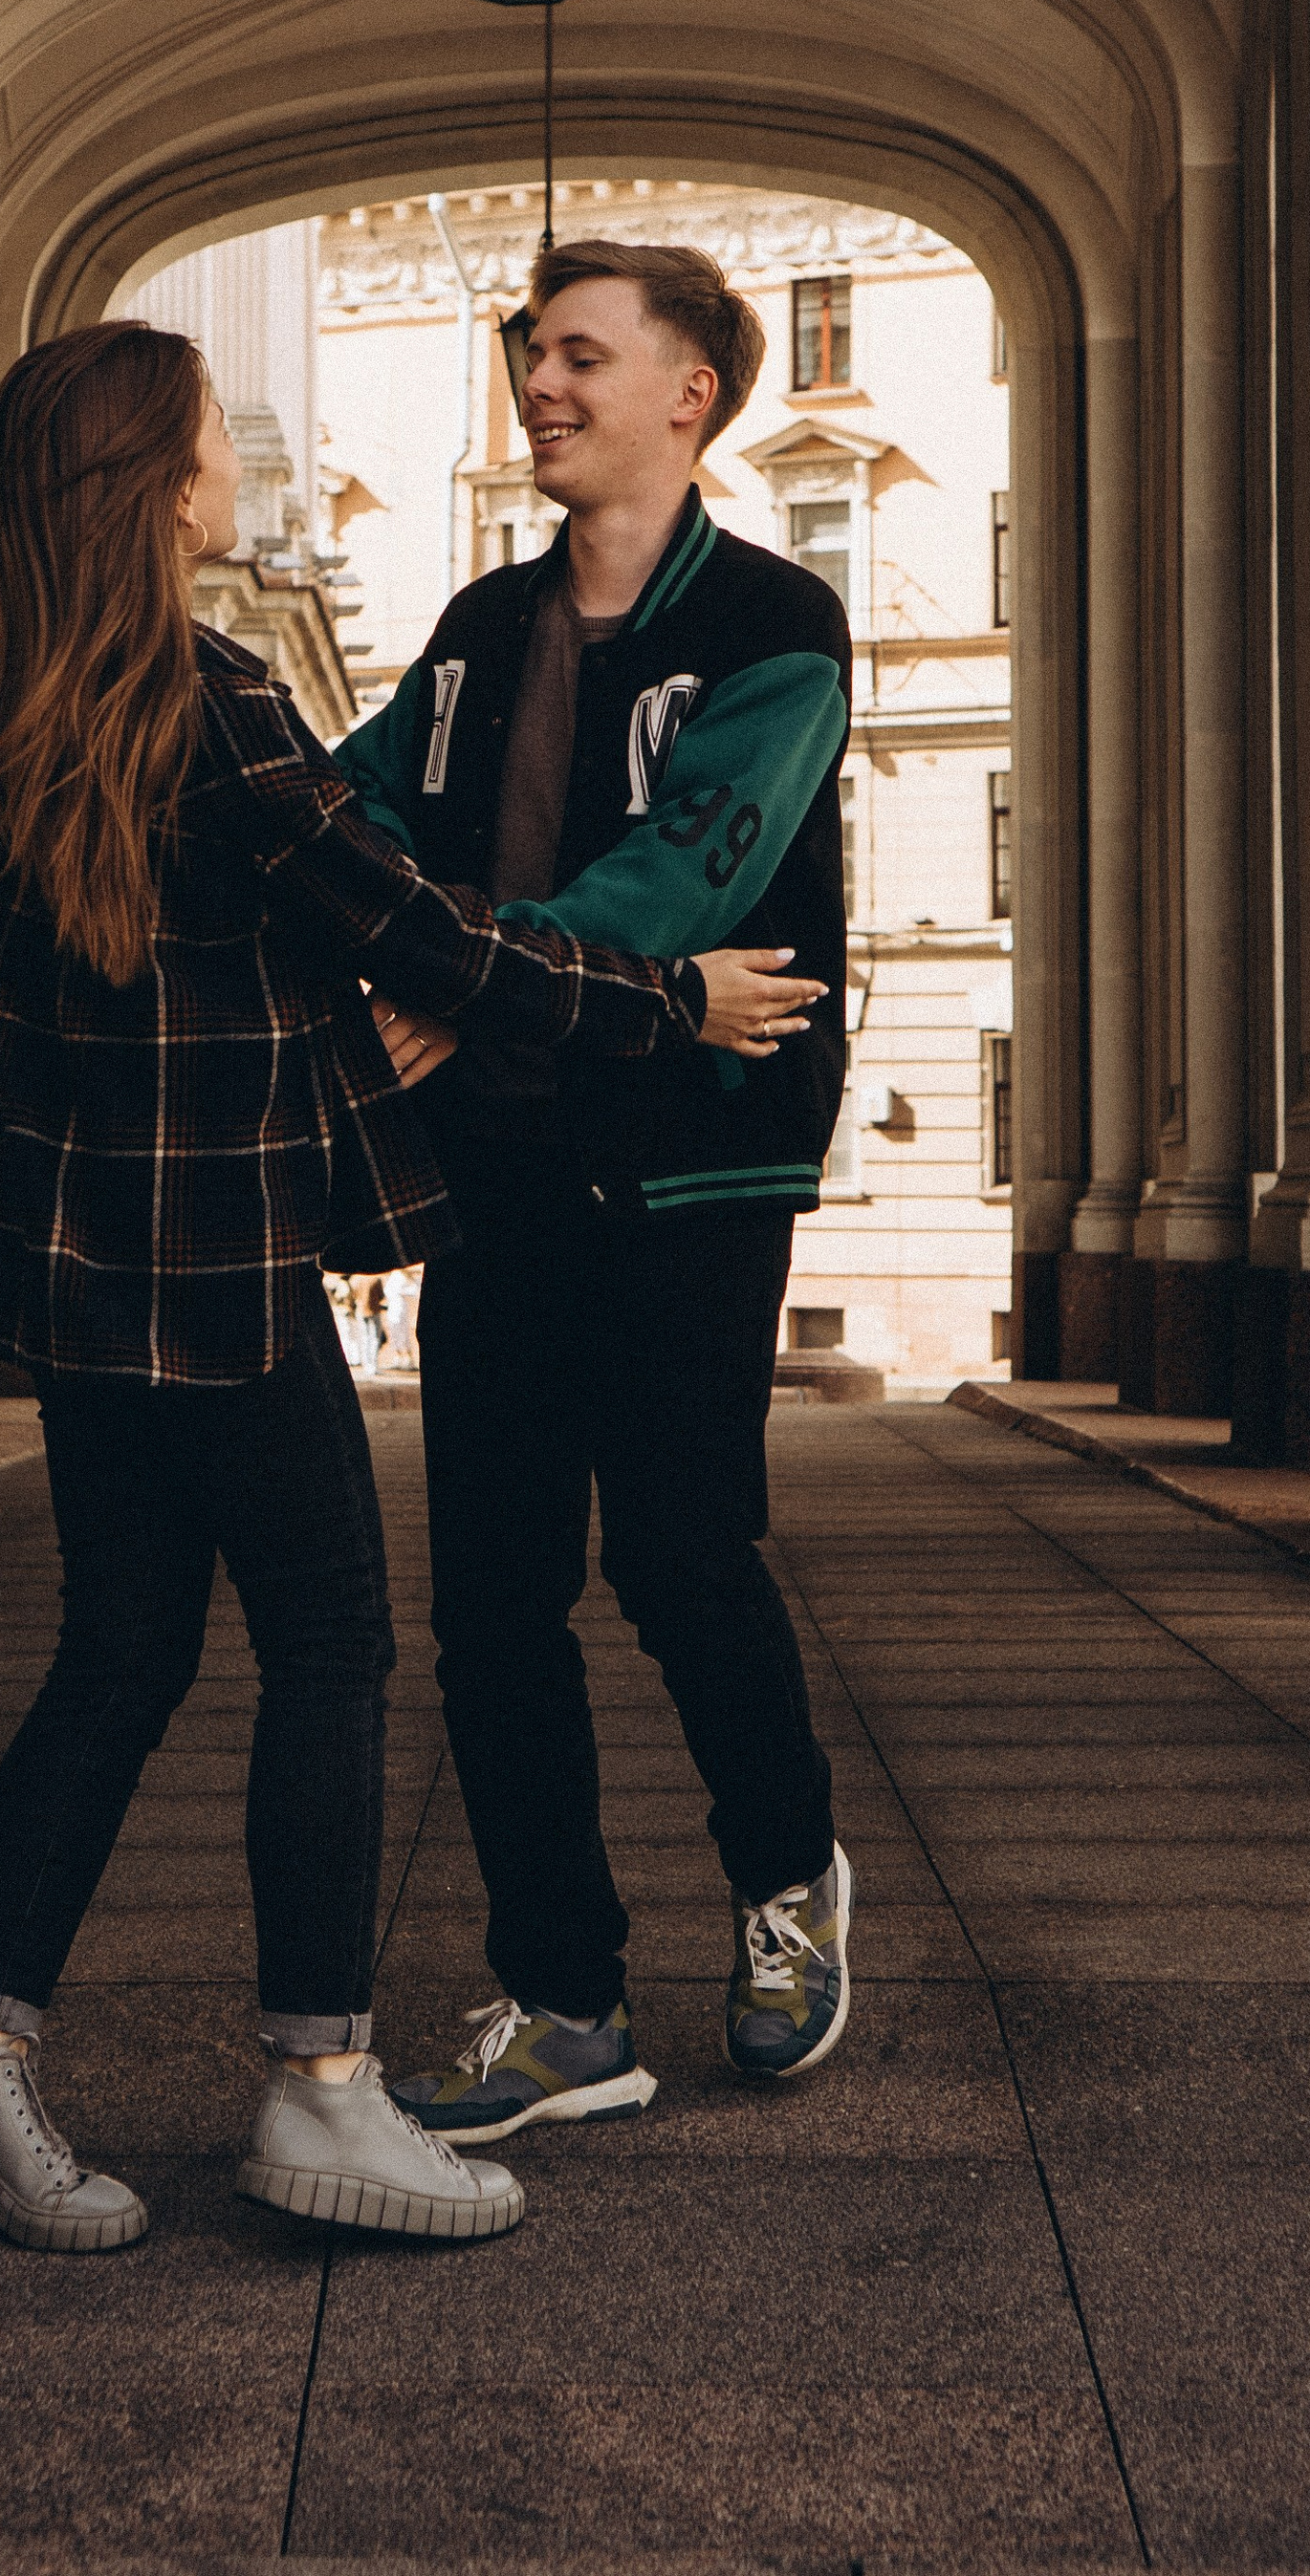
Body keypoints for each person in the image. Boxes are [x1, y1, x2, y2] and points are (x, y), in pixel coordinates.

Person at [0, 317, 818, 2255]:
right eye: (211, 441)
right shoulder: (213, 711)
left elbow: (171, 996)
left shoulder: (17, 721)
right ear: (164, 490)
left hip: (74, 1270)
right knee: (329, 1650)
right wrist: (668, 996)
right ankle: (320, 2090)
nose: (235, 463)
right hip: (221, 1269)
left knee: (119, 1655)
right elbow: (426, 941)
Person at [335, 237, 855, 2142]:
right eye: (528, 352)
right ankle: (565, 2000)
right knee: (489, 1600)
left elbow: (679, 887)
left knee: (678, 1555)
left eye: (577, 354)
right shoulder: (481, 626)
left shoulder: (779, 624)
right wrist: (390, 933)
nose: (537, 384)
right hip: (502, 1164)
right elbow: (357, 805)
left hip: (695, 1165)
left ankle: (787, 1882)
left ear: (687, 393)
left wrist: (457, 980)